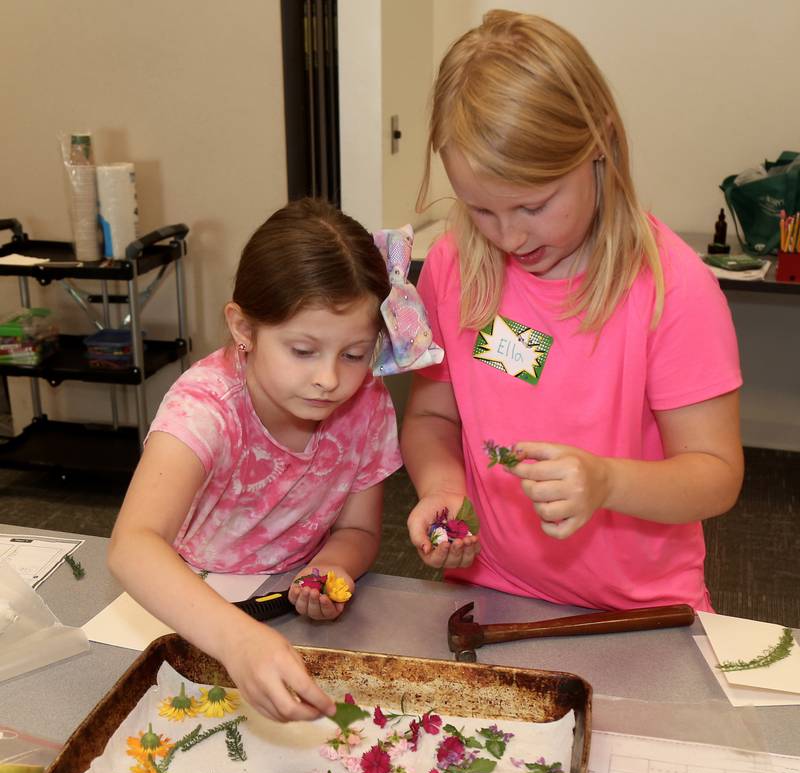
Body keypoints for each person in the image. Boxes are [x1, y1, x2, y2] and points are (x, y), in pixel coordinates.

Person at [402, 10, 743, 614]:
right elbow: (431, 416)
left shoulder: (672, 289)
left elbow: (716, 474)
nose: (508, 236)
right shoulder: (457, 264)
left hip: (640, 610)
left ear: (599, 146)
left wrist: (608, 483)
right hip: (492, 591)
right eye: (480, 209)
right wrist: (443, 487)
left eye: (533, 205)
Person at [109, 198, 401, 722]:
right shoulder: (206, 408)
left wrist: (330, 567)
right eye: (303, 350)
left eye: (354, 354)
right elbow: (132, 545)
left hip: (285, 610)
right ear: (244, 328)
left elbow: (359, 531)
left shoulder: (368, 405)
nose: (330, 379)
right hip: (190, 606)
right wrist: (238, 640)